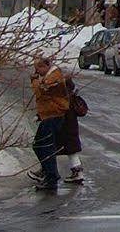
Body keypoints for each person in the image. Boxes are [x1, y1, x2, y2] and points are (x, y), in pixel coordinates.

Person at [28, 56, 70, 193]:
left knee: (44, 146)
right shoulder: (49, 76)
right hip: (49, 115)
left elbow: (41, 92)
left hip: (54, 115)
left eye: (38, 68)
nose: (37, 71)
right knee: (40, 145)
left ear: (46, 66)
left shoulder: (54, 77)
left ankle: (51, 176)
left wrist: (34, 81)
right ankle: (48, 172)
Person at [58, 73, 85, 184]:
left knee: (51, 148)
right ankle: (77, 172)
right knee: (71, 150)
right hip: (71, 128)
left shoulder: (65, 99)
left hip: (65, 128)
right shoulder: (72, 97)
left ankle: (46, 170)